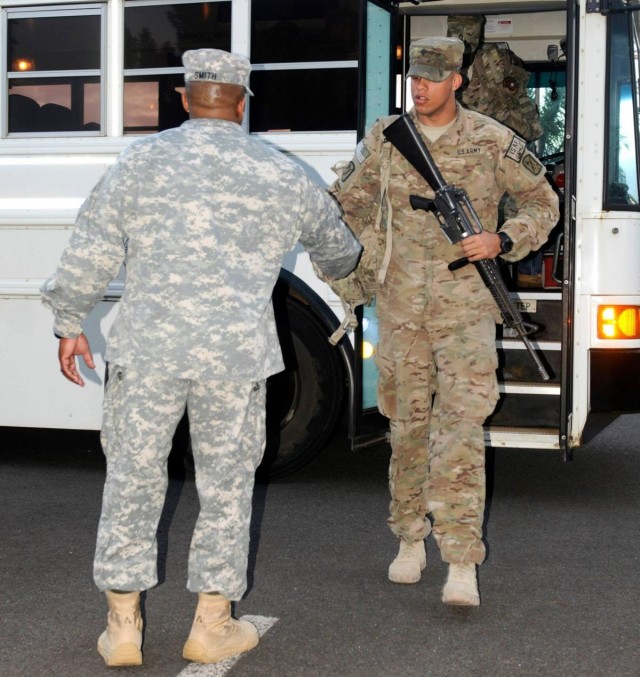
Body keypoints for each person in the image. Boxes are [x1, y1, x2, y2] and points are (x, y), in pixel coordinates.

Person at [41, 48, 361, 666]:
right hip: (235, 360)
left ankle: (123, 626)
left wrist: (69, 321)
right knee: (226, 488)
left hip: (147, 352)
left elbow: (90, 249)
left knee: (132, 479)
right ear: (243, 105)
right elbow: (339, 253)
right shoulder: (281, 172)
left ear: (184, 99)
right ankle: (211, 622)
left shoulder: (139, 164)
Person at [330, 37, 558, 606]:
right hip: (401, 309)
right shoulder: (386, 140)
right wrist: (353, 272)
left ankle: (461, 559)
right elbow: (345, 204)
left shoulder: (491, 139)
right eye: (416, 77)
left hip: (466, 312)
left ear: (458, 79)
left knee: (460, 432)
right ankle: (410, 538)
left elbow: (542, 203)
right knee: (406, 427)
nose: (421, 86)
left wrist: (502, 239)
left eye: (434, 77)